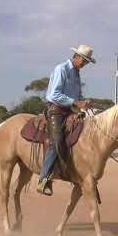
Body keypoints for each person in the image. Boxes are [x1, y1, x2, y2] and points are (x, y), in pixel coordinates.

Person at [37, 45, 96, 196]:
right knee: (56, 140)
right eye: (84, 60)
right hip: (56, 111)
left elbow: (77, 96)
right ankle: (44, 179)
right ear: (76, 56)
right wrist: (76, 103)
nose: (84, 64)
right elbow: (54, 95)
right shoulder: (61, 69)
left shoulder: (76, 74)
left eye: (87, 62)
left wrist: (83, 102)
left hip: (70, 111)